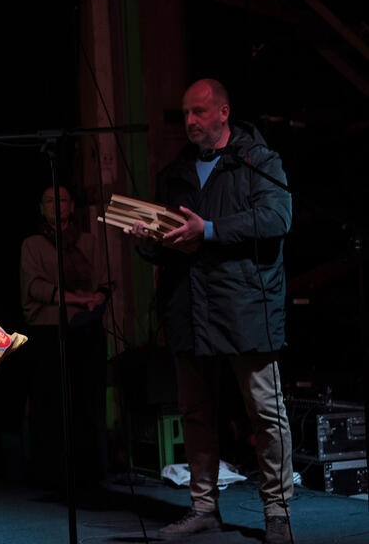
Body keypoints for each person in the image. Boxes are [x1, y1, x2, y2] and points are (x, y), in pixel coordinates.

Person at [126, 78, 293, 543]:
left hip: (245, 306)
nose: (190, 121)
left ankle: (278, 511)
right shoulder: (175, 172)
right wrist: (147, 242)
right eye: (185, 113)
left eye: (199, 112)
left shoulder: (258, 161)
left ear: (223, 112)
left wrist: (212, 229)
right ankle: (203, 508)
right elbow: (168, 247)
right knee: (196, 413)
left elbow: (277, 218)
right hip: (190, 309)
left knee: (265, 411)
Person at [19, 185, 109, 490]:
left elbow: (104, 281)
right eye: (50, 201)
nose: (57, 205)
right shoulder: (33, 244)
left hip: (85, 327)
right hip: (49, 330)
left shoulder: (88, 242)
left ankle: (90, 473)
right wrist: (79, 299)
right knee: (50, 403)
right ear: (41, 207)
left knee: (87, 401)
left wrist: (96, 299)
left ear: (71, 206)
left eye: (63, 200)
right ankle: (51, 474)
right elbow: (36, 288)